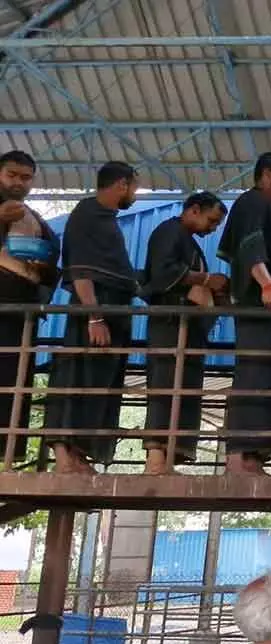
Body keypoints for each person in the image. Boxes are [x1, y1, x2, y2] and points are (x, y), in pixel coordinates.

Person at [45, 161, 139, 473]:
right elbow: (81, 268)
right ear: (122, 185)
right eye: (134, 188)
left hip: (113, 311)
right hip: (94, 311)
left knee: (99, 383)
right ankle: (63, 455)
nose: (134, 195)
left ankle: (79, 453)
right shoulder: (87, 215)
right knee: (77, 377)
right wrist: (94, 316)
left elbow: (116, 271)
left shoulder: (107, 219)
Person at [217, 152, 271, 474]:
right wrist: (267, 284)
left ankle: (253, 455)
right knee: (255, 374)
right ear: (267, 175)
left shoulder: (268, 210)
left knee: (270, 376)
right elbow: (249, 246)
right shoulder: (254, 203)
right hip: (259, 308)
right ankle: (240, 457)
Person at [139, 192, 228, 474]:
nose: (212, 228)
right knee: (166, 385)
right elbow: (162, 273)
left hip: (190, 327)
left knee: (184, 388)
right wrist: (204, 280)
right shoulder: (168, 232)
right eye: (211, 221)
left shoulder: (187, 241)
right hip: (170, 323)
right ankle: (155, 458)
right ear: (194, 210)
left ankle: (168, 457)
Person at [0, 151, 59, 465]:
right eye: (12, 175)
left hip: (20, 316)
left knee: (14, 384)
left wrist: (43, 266)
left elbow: (53, 260)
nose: (19, 183)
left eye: (26, 178)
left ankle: (7, 452)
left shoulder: (33, 218)